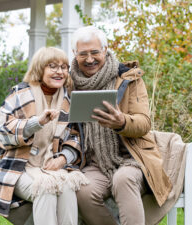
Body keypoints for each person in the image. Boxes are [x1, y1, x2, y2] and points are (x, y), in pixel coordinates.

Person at [70, 26, 172, 225]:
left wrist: (122, 122)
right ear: (74, 54)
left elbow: (143, 123)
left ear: (105, 50)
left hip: (132, 157)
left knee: (122, 179)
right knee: (82, 190)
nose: (89, 59)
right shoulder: (69, 82)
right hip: (95, 163)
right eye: (83, 54)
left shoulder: (129, 79)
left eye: (95, 52)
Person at [0, 47, 88, 225]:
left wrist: (63, 158)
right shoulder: (20, 94)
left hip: (52, 166)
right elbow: (3, 130)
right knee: (45, 189)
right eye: (52, 66)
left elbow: (75, 136)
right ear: (39, 69)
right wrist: (36, 122)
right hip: (18, 167)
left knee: (66, 187)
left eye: (64, 67)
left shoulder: (67, 100)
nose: (60, 72)